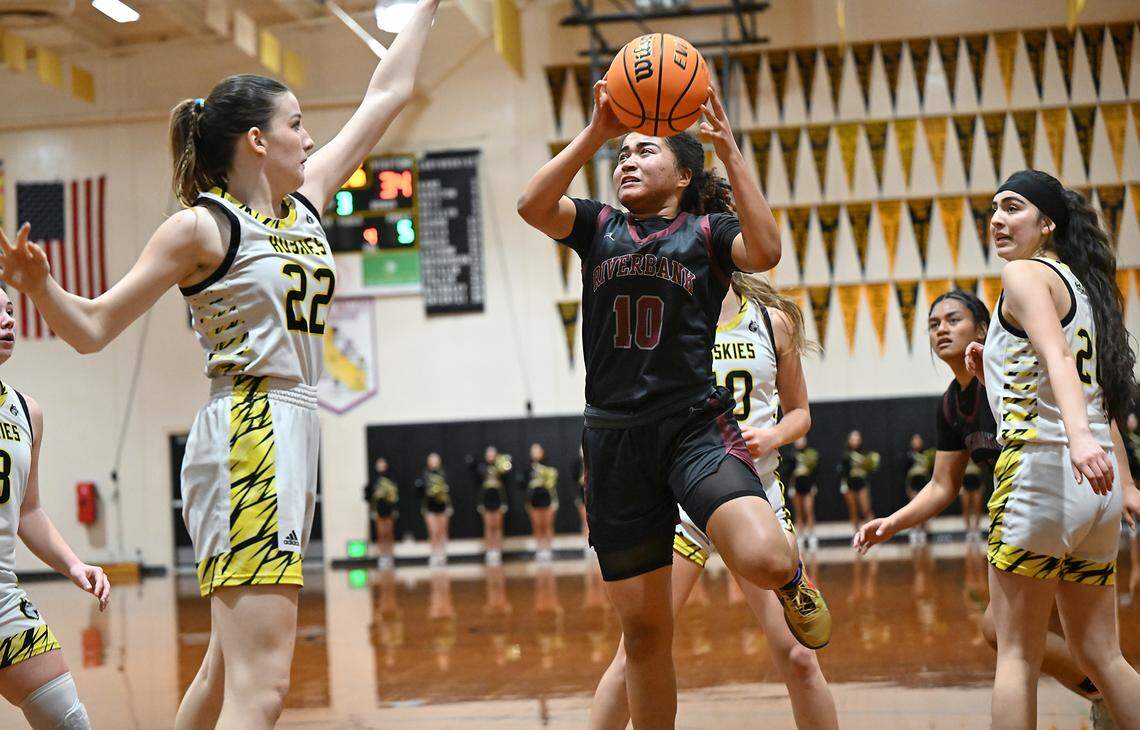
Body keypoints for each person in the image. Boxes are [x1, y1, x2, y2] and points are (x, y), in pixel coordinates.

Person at [0, 2, 438, 725]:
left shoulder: (309, 200)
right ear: (258, 140)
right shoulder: (202, 226)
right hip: (249, 432)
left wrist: (428, 4)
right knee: (261, 689)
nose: (310, 135)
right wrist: (41, 285)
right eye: (297, 123)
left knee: (224, 670)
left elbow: (387, 93)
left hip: (295, 426)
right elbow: (94, 328)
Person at [517, 79, 829, 726]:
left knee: (768, 558)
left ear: (684, 174)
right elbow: (530, 204)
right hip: (614, 439)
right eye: (622, 152)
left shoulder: (707, 233)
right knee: (645, 636)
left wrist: (731, 151)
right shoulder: (597, 225)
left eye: (645, 150)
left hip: (694, 426)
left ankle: (793, 582)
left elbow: (766, 251)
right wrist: (595, 132)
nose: (627, 160)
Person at [855, 288, 1138, 726]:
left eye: (953, 319)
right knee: (1022, 635)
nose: (941, 329)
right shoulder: (952, 403)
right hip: (1042, 512)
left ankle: (1102, 690)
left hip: (1062, 498)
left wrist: (1127, 482)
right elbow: (942, 485)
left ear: (983, 330)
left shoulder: (1011, 373)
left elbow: (1094, 410)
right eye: (934, 324)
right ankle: (1102, 691)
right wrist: (891, 523)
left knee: (1019, 648)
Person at [588, 273, 838, 730]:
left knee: (800, 657)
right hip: (681, 505)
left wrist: (773, 434)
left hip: (753, 495)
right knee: (633, 655)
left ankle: (790, 574)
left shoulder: (771, 320)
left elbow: (800, 412)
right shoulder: (662, 318)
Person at [969, 171, 1140, 728]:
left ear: (1046, 224)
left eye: (1013, 207)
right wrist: (990, 361)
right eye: (993, 207)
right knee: (1103, 655)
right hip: (1100, 488)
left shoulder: (1022, 273)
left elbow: (1057, 359)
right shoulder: (1083, 285)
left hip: (1044, 470)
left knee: (1016, 655)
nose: (997, 217)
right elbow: (1061, 368)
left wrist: (1080, 439)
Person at [0, 289, 109, 730]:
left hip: (3, 598)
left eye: (9, 311)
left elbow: (28, 511)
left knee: (70, 722)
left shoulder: (26, 412)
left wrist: (73, 564)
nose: (8, 321)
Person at [468, 446, 511, 565]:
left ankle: (498, 551)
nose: (491, 456)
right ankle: (490, 551)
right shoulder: (482, 468)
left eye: (493, 454)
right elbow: (476, 476)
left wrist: (504, 462)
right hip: (486, 499)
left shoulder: (500, 466)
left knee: (498, 526)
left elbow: (507, 471)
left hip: (498, 498)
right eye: (489, 454)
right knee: (488, 526)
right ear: (486, 455)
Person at [522, 443, 559, 562]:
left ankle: (548, 549)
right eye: (533, 451)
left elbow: (552, 482)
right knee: (537, 525)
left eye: (538, 451)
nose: (535, 453)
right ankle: (539, 549)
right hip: (533, 500)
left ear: (542, 452)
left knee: (547, 524)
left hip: (547, 498)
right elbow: (523, 484)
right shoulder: (528, 468)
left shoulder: (548, 466)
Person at [838, 430, 879, 531]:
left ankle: (873, 533)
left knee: (866, 509)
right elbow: (842, 472)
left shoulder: (865, 455)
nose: (855, 441)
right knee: (853, 511)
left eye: (857, 439)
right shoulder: (846, 456)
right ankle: (857, 533)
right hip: (849, 485)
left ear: (860, 440)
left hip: (862, 484)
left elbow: (870, 469)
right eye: (852, 439)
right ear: (849, 441)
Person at [416, 452, 451, 567]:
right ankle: (434, 554)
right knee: (433, 531)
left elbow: (448, 491)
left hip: (442, 506)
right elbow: (420, 491)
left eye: (436, 460)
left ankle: (442, 554)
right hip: (430, 506)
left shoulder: (443, 474)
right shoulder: (425, 475)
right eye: (432, 460)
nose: (434, 462)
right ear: (428, 462)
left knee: (442, 531)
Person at [900, 434, 934, 543]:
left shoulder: (927, 455)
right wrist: (908, 487)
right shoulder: (909, 456)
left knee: (924, 509)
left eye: (919, 441)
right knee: (914, 509)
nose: (917, 443)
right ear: (911, 443)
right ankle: (915, 530)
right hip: (913, 484)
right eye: (915, 441)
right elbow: (904, 472)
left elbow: (932, 471)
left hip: (924, 484)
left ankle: (923, 530)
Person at [788, 437, 820, 550]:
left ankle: (812, 537)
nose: (800, 442)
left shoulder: (810, 454)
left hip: (808, 486)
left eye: (802, 440)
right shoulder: (791, 455)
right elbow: (788, 472)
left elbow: (815, 472)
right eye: (798, 440)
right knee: (798, 513)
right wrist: (790, 487)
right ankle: (800, 537)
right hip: (796, 486)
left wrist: (814, 486)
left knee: (809, 511)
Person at [370, 458, 399, 570]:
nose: (381, 466)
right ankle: (382, 556)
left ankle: (390, 556)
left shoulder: (391, 480)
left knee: (389, 533)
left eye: (383, 464)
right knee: (381, 533)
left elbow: (395, 496)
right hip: (378, 509)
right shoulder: (374, 480)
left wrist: (395, 508)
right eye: (379, 464)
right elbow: (369, 496)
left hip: (389, 509)